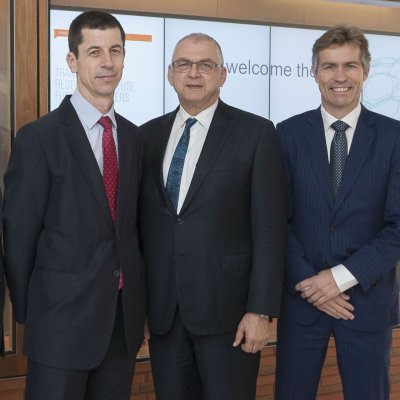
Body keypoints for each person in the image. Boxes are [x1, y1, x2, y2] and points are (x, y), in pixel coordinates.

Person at [3, 10, 145, 400]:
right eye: (95, 51)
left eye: (115, 51)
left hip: (121, 326)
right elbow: (19, 238)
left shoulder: (134, 138)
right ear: (72, 61)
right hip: (59, 325)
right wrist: (34, 314)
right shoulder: (39, 139)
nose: (107, 62)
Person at [139, 32, 287, 400]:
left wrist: (260, 311)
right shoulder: (145, 137)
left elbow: (270, 229)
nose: (194, 73)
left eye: (205, 65)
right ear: (169, 73)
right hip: (164, 315)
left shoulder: (255, 133)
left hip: (231, 317)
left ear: (222, 75)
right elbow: (140, 229)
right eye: (184, 65)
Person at [275, 25, 400, 400]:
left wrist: (340, 279)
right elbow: (276, 220)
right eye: (329, 66)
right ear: (314, 72)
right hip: (302, 302)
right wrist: (313, 286)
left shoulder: (394, 138)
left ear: (365, 70)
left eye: (349, 65)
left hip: (366, 302)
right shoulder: (287, 133)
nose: (340, 76)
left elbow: (398, 227)